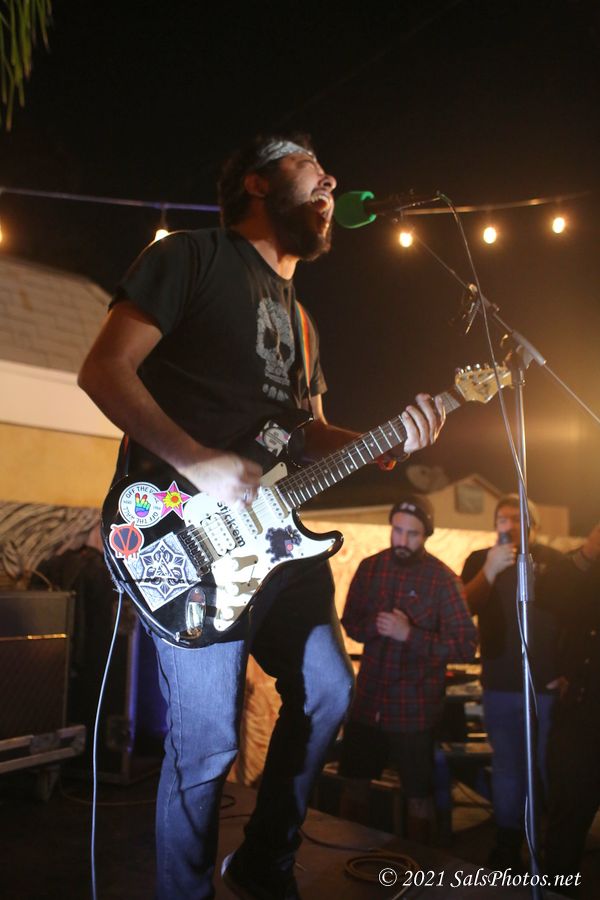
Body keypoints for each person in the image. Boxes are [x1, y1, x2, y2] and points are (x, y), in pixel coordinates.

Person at [78, 134, 446, 900]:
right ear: (257, 182)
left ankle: (263, 862)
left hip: (278, 537)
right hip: (182, 535)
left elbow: (308, 432)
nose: (331, 178)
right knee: (208, 744)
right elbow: (104, 369)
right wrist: (198, 461)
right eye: (312, 166)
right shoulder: (191, 257)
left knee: (329, 691)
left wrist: (384, 440)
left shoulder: (304, 325)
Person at [338, 494, 476, 843]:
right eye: (397, 530)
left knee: (418, 798)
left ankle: (420, 867)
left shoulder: (443, 580)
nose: (402, 540)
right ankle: (345, 861)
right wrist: (374, 626)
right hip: (368, 703)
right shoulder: (371, 568)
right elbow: (350, 623)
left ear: (426, 534)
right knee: (353, 787)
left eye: (412, 533)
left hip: (414, 711)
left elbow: (465, 646)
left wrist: (410, 635)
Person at [461, 493, 567, 870]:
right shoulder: (480, 559)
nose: (508, 525)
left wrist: (567, 670)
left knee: (548, 766)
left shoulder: (555, 561)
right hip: (501, 683)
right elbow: (463, 608)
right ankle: (507, 845)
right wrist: (490, 570)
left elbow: (574, 617)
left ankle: (552, 848)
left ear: (532, 525)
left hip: (547, 685)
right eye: (502, 519)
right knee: (507, 766)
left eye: (517, 518)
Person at [545, 523, 600, 894]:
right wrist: (589, 551)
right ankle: (557, 889)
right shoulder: (586, 568)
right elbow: (550, 594)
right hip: (583, 710)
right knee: (569, 815)